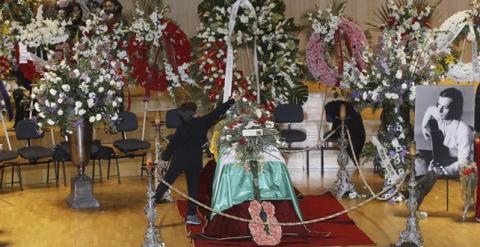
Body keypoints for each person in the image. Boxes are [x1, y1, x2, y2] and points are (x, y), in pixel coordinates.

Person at [153, 97, 237, 225]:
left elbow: (173, 144)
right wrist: (232, 101)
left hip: (178, 160)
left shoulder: (181, 127)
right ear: (194, 112)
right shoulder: (202, 122)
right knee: (193, 189)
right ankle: (191, 215)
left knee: (167, 181)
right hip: (194, 162)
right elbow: (217, 112)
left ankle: (153, 201)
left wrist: (164, 158)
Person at [415, 87, 474, 207]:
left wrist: (442, 170)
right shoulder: (440, 113)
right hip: (441, 156)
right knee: (414, 156)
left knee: (432, 171)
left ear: (454, 109)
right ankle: (416, 189)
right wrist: (424, 125)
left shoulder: (463, 131)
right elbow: (431, 109)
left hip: (456, 164)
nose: (440, 110)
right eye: (439, 104)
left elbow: (463, 164)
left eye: (445, 107)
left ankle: (417, 191)